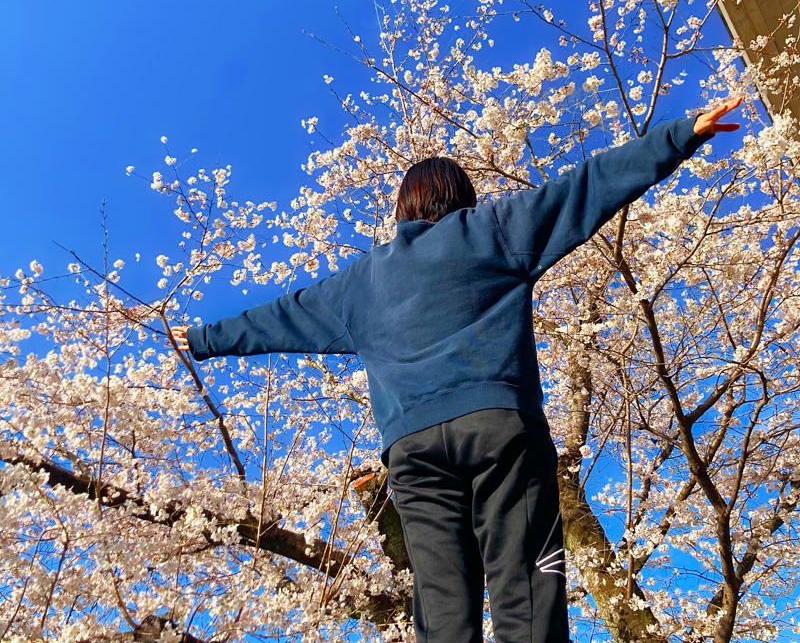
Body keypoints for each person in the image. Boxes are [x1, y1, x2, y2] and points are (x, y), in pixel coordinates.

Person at [171, 99, 741, 643]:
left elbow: (281, 316)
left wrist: (201, 339)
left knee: (442, 606)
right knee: (527, 590)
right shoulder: (493, 229)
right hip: (499, 431)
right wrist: (681, 134)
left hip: (412, 449)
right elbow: (586, 187)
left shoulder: (357, 284)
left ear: (404, 209)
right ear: (461, 196)